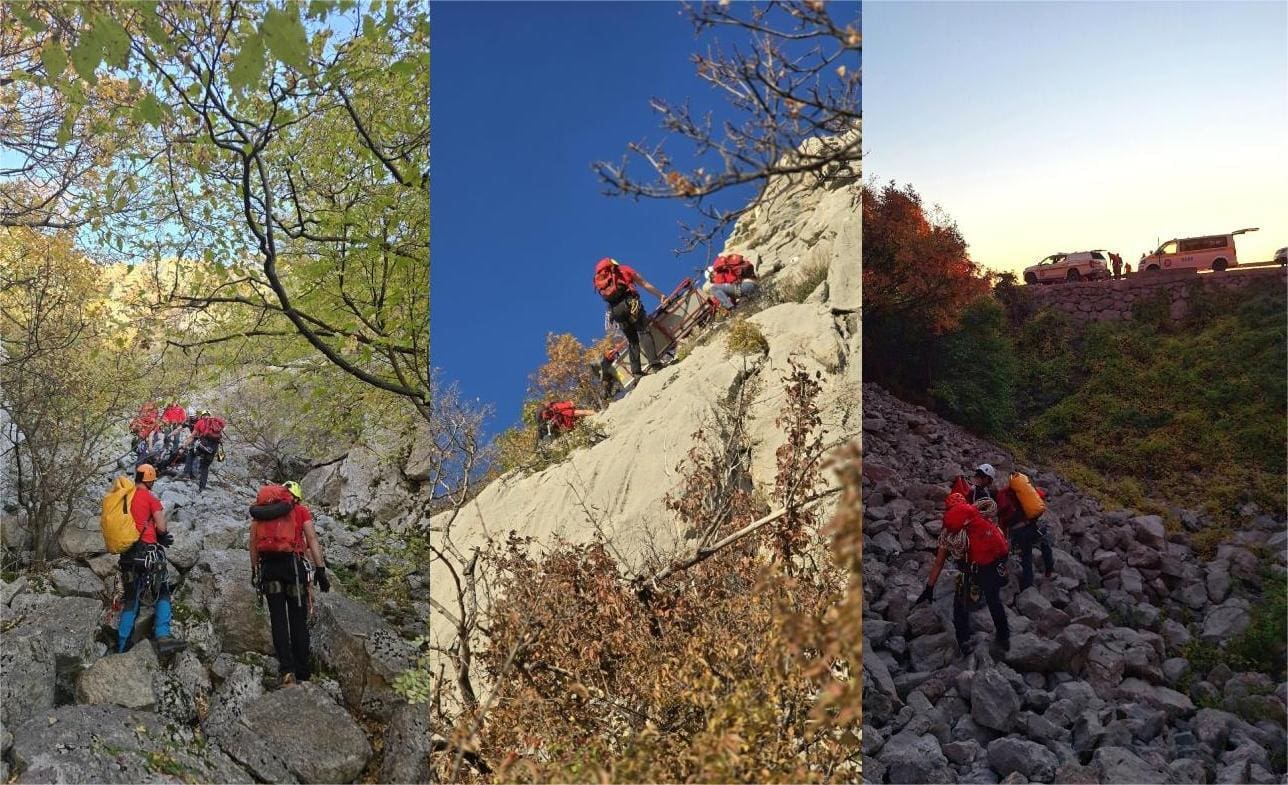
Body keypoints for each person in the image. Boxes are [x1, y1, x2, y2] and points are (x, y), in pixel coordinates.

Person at [250, 480, 329, 687]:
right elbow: (312, 539)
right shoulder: (301, 511)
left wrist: (255, 571)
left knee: (278, 620)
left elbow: (253, 544)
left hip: (269, 568)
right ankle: (302, 672)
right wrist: (320, 569)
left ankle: (286, 672)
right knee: (297, 620)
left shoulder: (261, 513)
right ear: (295, 497)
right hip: (293, 568)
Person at [916, 493, 1011, 655]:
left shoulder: (950, 532)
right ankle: (1003, 638)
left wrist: (929, 588)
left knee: (960, 606)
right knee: (994, 601)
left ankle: (964, 642)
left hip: (969, 572)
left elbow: (939, 563)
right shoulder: (981, 519)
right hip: (992, 567)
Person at [117, 463, 185, 654]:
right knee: (162, 590)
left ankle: (123, 645)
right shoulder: (150, 498)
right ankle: (163, 636)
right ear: (149, 480)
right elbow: (162, 527)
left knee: (131, 599)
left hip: (127, 555)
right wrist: (159, 533)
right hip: (147, 554)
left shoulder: (125, 498)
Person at [592, 257, 666, 378]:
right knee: (644, 332)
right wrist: (660, 295)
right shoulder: (624, 270)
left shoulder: (603, 281)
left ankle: (636, 373)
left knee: (632, 341)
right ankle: (655, 364)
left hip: (616, 312)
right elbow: (644, 283)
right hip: (630, 305)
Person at [182, 410, 225, 492]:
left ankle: (187, 473)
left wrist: (184, 445)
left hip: (203, 447)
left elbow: (192, 436)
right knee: (205, 467)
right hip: (213, 448)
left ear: (201, 416)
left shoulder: (200, 422)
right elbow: (221, 434)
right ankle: (202, 488)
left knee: (191, 453)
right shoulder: (216, 422)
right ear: (210, 415)